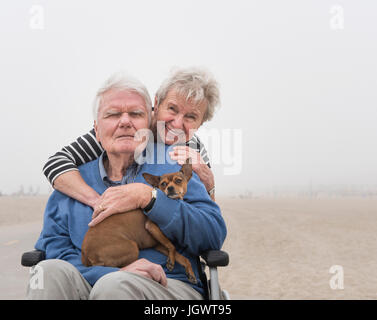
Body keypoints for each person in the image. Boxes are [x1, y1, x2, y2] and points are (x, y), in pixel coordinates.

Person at [27, 73, 226, 300]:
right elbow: (56, 248)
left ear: (146, 121)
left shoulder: (179, 162)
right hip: (90, 279)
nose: (124, 121)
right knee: (46, 272)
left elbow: (212, 234)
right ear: (96, 128)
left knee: (116, 286)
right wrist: (106, 271)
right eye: (112, 114)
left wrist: (152, 198)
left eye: (135, 114)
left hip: (167, 284)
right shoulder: (72, 180)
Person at [42, 67, 220, 226]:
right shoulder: (127, 130)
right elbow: (56, 163)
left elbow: (207, 216)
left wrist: (209, 183)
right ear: (156, 104)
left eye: (191, 117)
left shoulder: (193, 148)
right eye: (172, 109)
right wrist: (99, 202)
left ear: (201, 123)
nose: (177, 123)